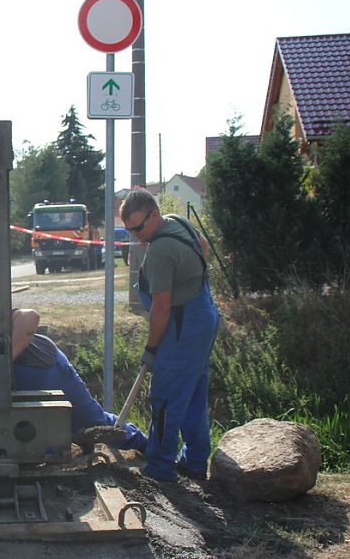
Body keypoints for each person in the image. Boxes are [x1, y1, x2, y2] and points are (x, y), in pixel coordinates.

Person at [0, 308, 148, 452]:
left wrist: (1, 365)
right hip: (23, 399)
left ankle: (149, 447)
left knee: (94, 422)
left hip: (46, 369)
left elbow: (30, 318)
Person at [120, 189, 220, 482]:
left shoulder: (161, 251)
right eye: (129, 231)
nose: (136, 236)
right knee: (192, 393)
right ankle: (195, 462)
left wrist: (152, 348)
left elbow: (161, 309)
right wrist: (187, 278)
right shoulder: (178, 221)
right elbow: (201, 247)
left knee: (164, 397)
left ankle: (161, 466)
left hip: (182, 324)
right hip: (204, 313)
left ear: (153, 215)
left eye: (139, 228)